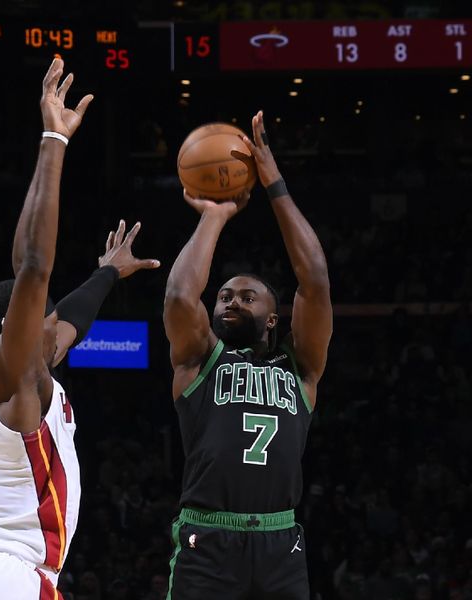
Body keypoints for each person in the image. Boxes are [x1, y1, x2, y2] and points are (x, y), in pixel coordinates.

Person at [0, 58, 159, 600]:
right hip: (3, 578)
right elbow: (33, 265)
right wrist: (54, 140)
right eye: (41, 319)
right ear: (13, 330)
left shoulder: (12, 376)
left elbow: (70, 316)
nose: (57, 328)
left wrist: (107, 273)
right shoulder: (14, 372)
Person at [163, 110, 332, 599]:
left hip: (280, 541)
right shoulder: (200, 359)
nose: (231, 300)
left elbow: (315, 280)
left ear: (274, 318)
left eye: (247, 296)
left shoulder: (300, 368)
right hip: (207, 537)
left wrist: (274, 182)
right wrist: (214, 217)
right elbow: (178, 297)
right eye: (224, 296)